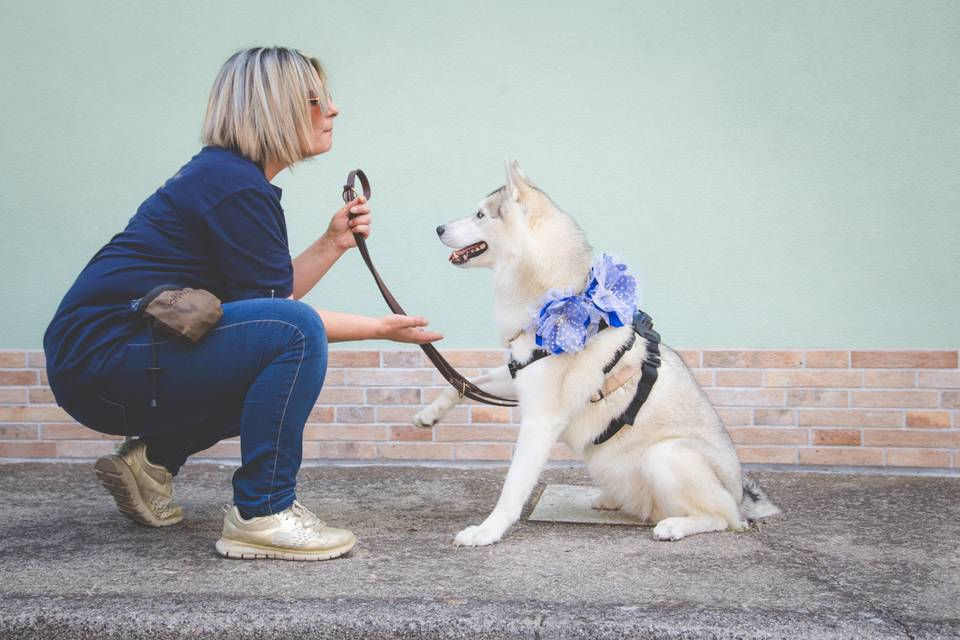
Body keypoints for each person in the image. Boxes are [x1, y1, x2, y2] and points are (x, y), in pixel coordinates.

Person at [42, 47, 442, 561]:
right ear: (277, 109)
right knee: (295, 337)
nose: (334, 110)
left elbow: (266, 307)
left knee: (278, 347)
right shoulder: (233, 186)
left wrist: (332, 243)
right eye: (319, 99)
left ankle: (152, 463)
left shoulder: (229, 178)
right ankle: (263, 512)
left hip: (105, 366)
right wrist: (381, 330)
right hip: (107, 360)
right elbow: (287, 322)